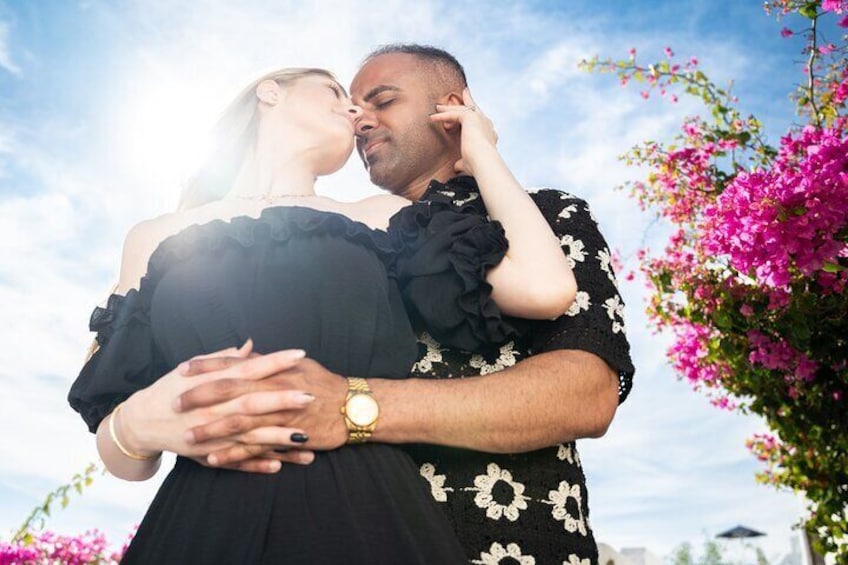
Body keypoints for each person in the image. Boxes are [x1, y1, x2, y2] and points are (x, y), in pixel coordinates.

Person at [68, 66, 576, 563]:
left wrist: (481, 150)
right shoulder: (153, 236)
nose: (354, 109)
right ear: (270, 93)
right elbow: (122, 457)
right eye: (334, 90)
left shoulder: (379, 217)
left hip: (364, 512)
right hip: (198, 522)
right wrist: (135, 427)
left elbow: (545, 287)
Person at [174, 45, 636, 564]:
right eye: (350, 105)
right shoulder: (338, 238)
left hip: (516, 543)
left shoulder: (548, 218)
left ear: (452, 107)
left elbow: (585, 393)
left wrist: (353, 407)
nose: (359, 119)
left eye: (382, 100)